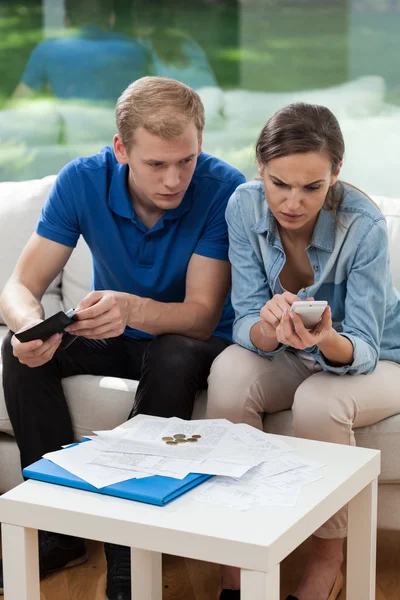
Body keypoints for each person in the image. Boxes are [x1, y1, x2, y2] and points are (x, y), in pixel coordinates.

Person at [0, 76, 245, 600]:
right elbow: (21, 285)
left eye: (187, 160)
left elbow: (201, 316)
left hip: (194, 342)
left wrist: (131, 307)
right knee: (17, 352)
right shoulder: (82, 181)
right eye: (157, 164)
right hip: (114, 329)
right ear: (120, 150)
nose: (174, 179)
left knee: (173, 353)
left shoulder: (224, 188)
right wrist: (27, 327)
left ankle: (131, 549)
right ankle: (60, 529)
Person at [206, 102, 400, 600]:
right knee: (229, 372)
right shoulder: (243, 207)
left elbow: (364, 344)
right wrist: (269, 328)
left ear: (335, 173)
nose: (292, 202)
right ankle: (240, 554)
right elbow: (246, 318)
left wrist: (324, 339)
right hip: (292, 351)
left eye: (312, 187)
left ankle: (327, 560)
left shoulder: (364, 226)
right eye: (279, 183)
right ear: (260, 168)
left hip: (379, 356)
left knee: (320, 401)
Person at [12, 0, 148, 104]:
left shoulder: (47, 50)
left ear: (66, 21)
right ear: (111, 19)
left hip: (71, 135)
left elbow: (19, 101)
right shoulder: (135, 50)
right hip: (119, 136)